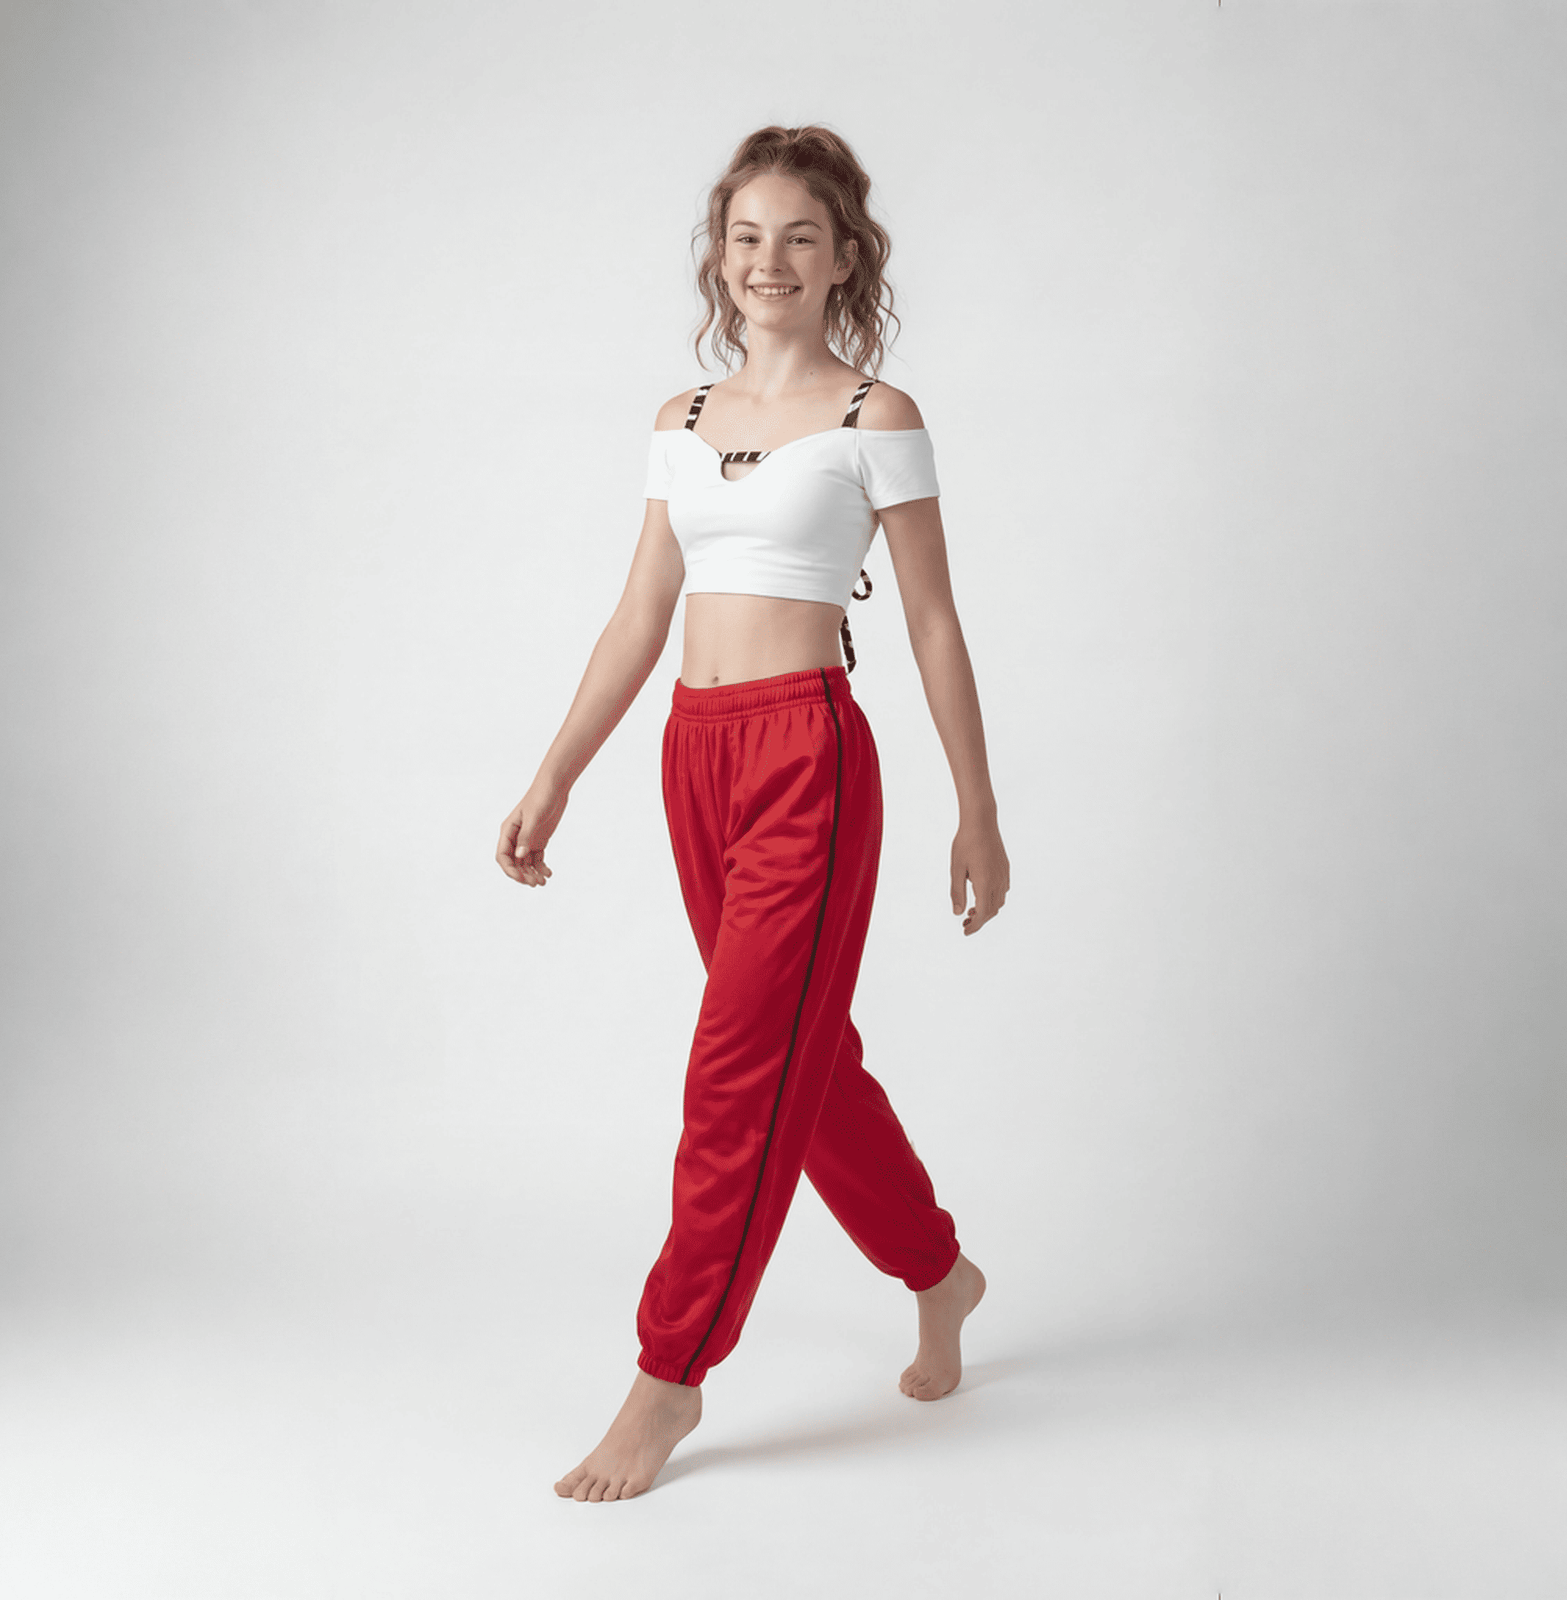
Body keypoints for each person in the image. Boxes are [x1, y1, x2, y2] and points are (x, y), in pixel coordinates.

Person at [496, 125, 1009, 1503]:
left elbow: (934, 620)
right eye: (745, 236)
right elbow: (638, 613)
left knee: (739, 1066)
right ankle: (939, 1271)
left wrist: (977, 810)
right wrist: (555, 772)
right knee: (803, 1059)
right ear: (719, 258)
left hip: (807, 760)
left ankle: (670, 1376)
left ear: (845, 257)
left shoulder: (875, 418)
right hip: (694, 753)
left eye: (799, 237)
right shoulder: (681, 420)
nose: (768, 260)